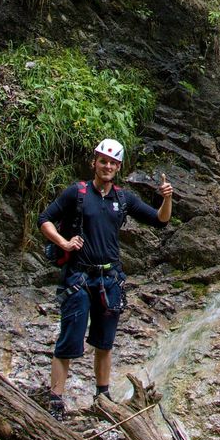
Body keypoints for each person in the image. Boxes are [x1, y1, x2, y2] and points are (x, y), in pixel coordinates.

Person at [39, 138, 173, 421]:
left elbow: (160, 220)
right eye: (103, 161)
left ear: (118, 167)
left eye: (113, 163)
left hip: (109, 279)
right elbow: (45, 219)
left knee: (105, 342)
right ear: (95, 163)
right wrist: (63, 243)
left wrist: (167, 199)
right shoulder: (77, 192)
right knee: (69, 340)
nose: (107, 166)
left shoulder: (123, 199)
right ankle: (55, 400)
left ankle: (102, 397)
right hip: (78, 276)